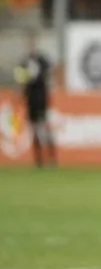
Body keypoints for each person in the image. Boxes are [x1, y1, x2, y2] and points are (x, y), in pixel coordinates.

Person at [13, 31, 57, 168]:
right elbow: (20, 80)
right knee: (33, 128)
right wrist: (20, 92)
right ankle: (39, 161)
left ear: (36, 44)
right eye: (29, 44)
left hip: (41, 97)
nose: (31, 46)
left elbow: (51, 71)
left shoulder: (42, 59)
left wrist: (49, 83)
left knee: (43, 126)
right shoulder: (24, 62)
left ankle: (52, 158)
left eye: (33, 43)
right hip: (31, 98)